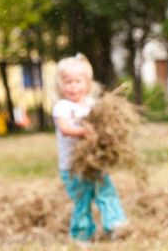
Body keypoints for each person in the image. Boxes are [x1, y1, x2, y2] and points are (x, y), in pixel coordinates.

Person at [52, 54, 128, 244]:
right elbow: (65, 128)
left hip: (95, 161)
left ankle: (115, 226)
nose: (73, 86)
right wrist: (85, 131)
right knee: (82, 200)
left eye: (77, 81)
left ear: (87, 83)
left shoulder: (91, 104)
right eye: (68, 82)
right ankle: (82, 235)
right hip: (73, 166)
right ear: (60, 85)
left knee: (106, 192)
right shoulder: (62, 107)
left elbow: (102, 125)